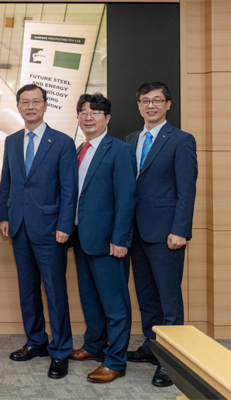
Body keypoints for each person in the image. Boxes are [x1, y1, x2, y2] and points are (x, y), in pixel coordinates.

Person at [0, 84, 77, 379]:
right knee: (27, 290)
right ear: (18, 107)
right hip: (18, 227)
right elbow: (7, 182)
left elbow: (70, 190)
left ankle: (60, 351)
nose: (30, 107)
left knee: (56, 292)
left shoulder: (62, 142)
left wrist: (64, 225)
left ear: (45, 106)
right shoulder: (11, 141)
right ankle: (36, 341)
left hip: (50, 230)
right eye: (24, 102)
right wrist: (4, 216)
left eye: (36, 102)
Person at [124, 81, 198, 387]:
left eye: (157, 100)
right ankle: (152, 345)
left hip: (166, 233)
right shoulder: (130, 139)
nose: (150, 105)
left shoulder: (181, 140)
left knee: (169, 299)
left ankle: (172, 359)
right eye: (145, 101)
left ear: (168, 104)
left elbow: (187, 190)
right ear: (138, 105)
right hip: (136, 234)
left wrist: (180, 230)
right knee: (147, 297)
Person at [68, 93, 137, 383]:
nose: (88, 117)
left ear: (107, 118)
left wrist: (120, 239)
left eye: (95, 112)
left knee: (115, 304)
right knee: (90, 299)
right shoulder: (79, 149)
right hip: (82, 239)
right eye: (83, 111)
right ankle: (95, 345)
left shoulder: (119, 150)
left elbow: (127, 198)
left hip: (109, 241)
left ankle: (116, 360)